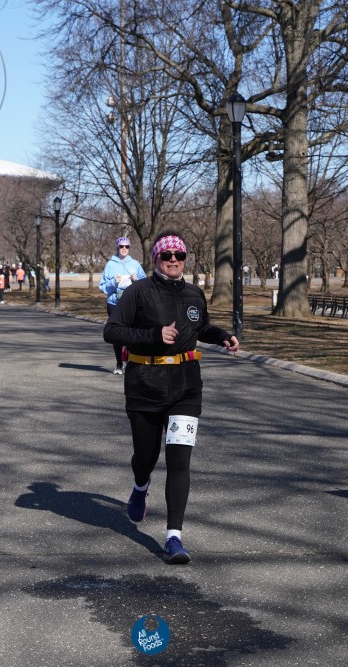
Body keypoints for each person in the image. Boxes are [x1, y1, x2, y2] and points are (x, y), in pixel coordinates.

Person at [103, 231, 240, 564]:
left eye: (179, 255)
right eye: (167, 256)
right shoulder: (138, 292)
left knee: (179, 461)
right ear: (156, 259)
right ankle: (140, 486)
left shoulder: (194, 294)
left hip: (185, 387)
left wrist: (222, 336)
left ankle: (173, 538)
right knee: (146, 457)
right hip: (145, 385)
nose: (174, 260)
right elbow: (112, 330)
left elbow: (200, 328)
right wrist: (154, 334)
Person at [99, 237, 146, 374]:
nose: (124, 248)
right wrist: (113, 281)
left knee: (132, 332)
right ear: (117, 248)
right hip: (114, 303)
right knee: (116, 332)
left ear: (129, 248)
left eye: (126, 246)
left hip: (132, 303)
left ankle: (131, 361)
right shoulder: (110, 265)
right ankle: (119, 363)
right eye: (121, 246)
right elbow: (102, 287)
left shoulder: (135, 264)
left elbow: (145, 285)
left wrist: (136, 280)